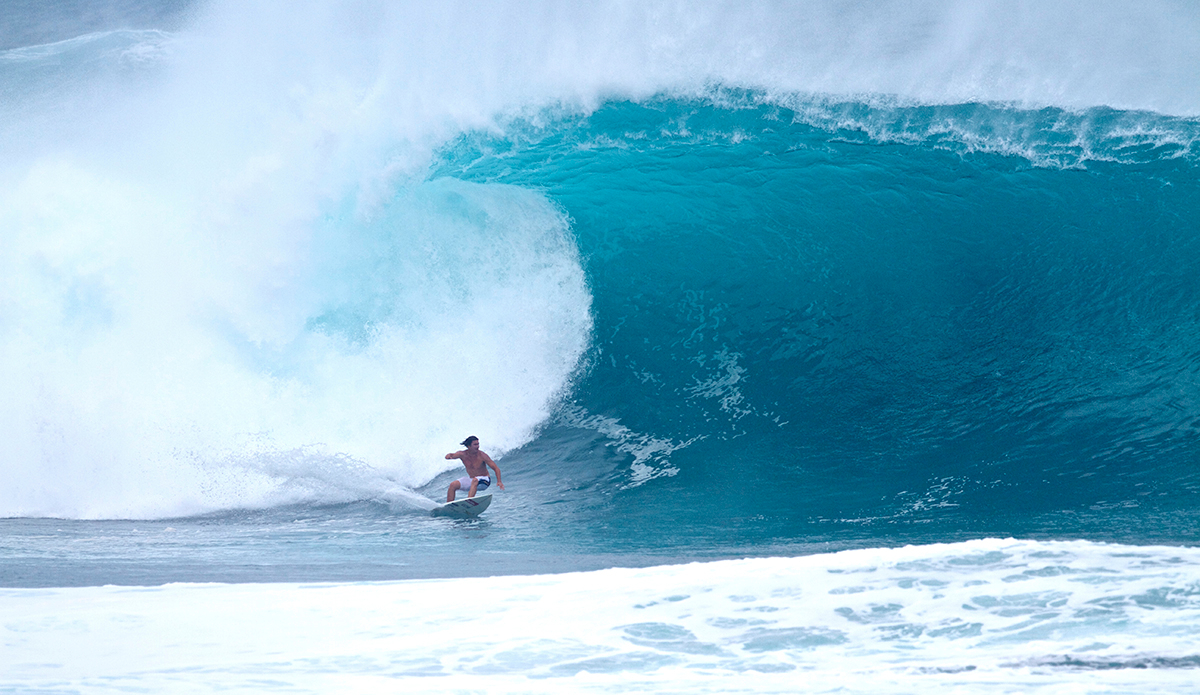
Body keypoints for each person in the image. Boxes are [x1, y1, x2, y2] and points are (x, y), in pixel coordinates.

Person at [444, 436, 504, 502]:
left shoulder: (482, 455)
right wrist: (449, 455)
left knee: (475, 480)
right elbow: (453, 455)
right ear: (468, 446)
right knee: (453, 485)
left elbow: (496, 468)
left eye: (478, 444)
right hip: (472, 480)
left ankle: (468, 502)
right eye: (475, 444)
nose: (477, 446)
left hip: (484, 481)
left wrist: (499, 481)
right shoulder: (463, 454)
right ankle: (449, 505)